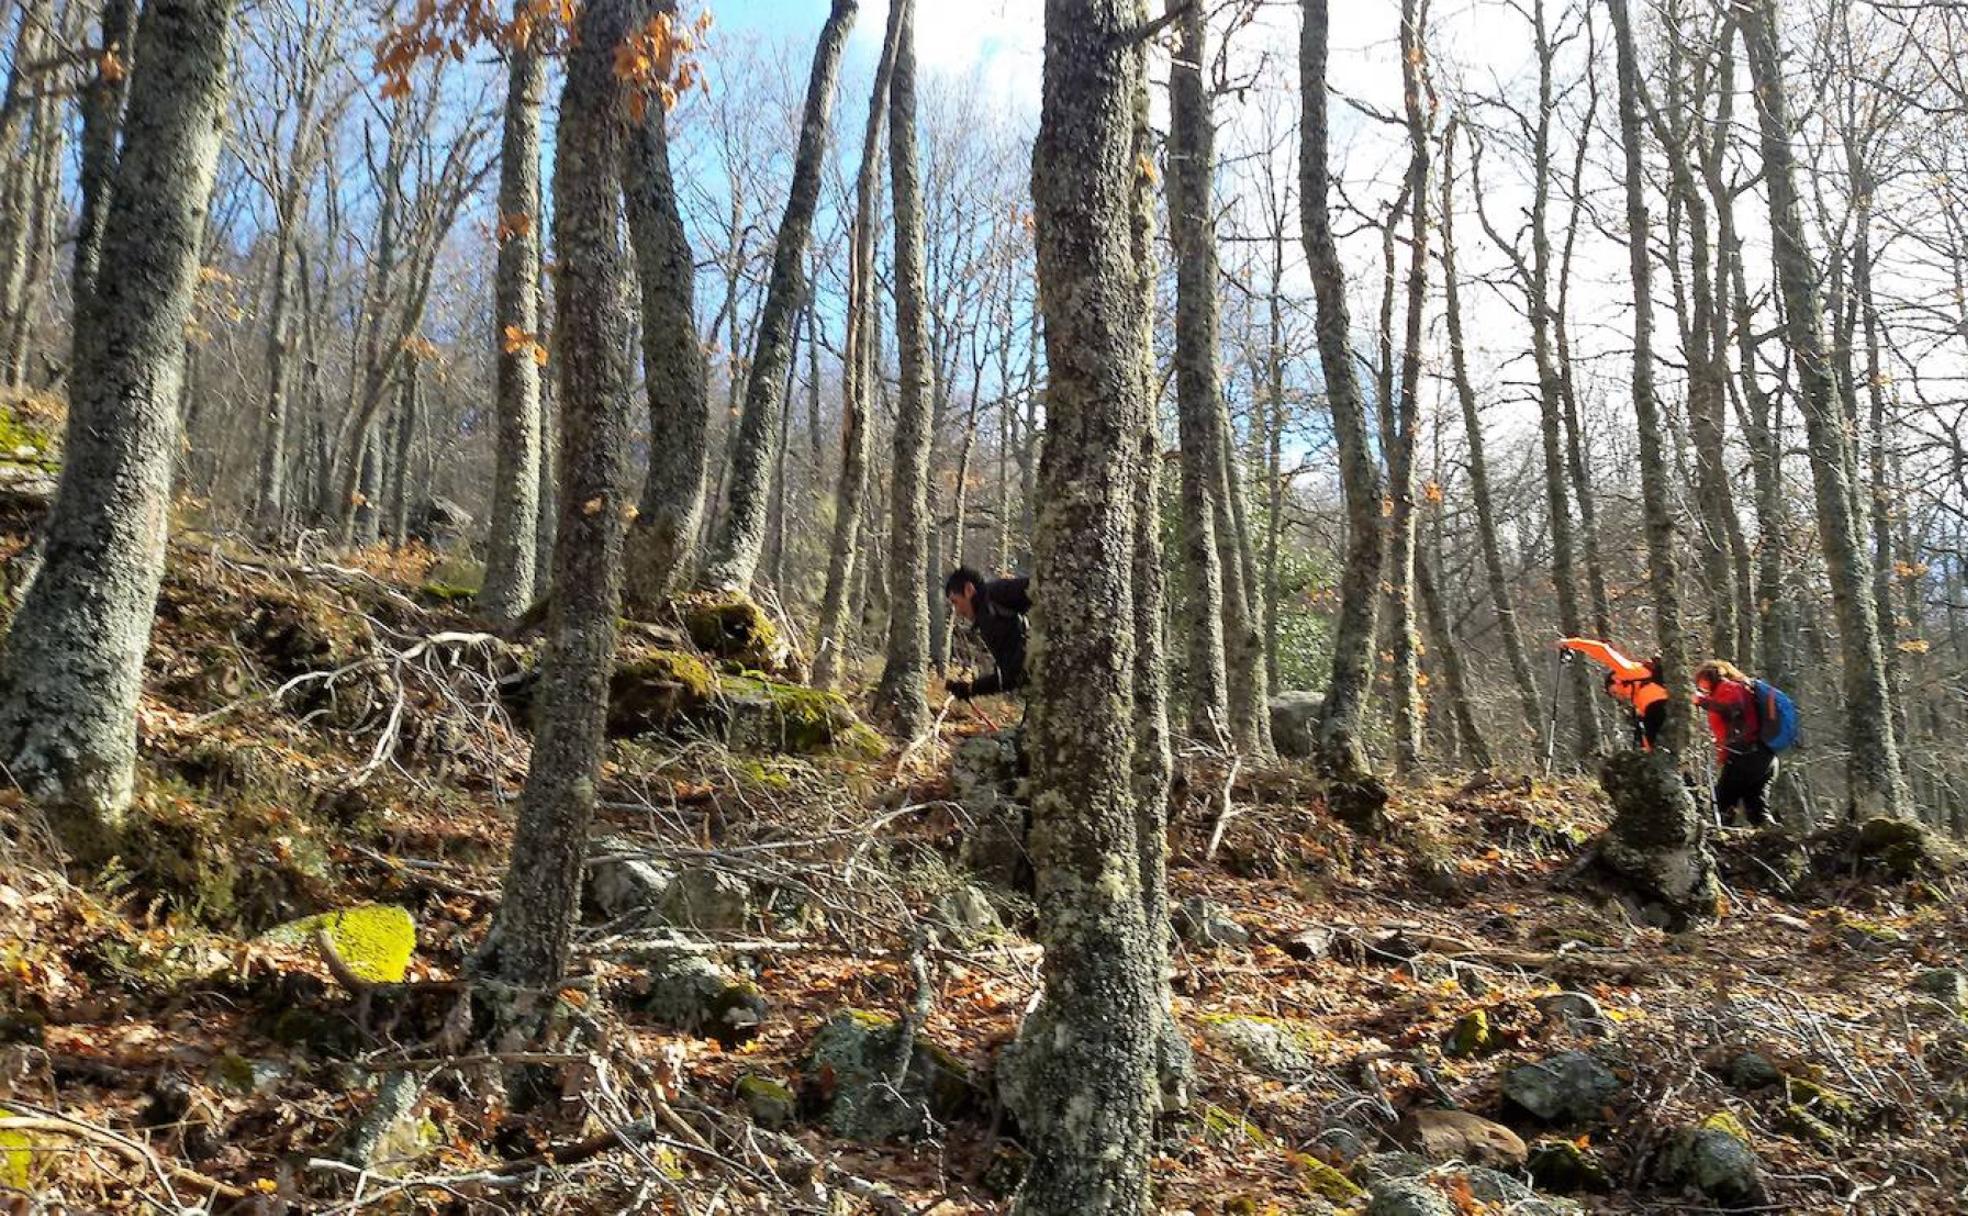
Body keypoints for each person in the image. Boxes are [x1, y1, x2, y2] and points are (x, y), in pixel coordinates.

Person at [1695, 658, 1778, 827]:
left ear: (1711, 678)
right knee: (1755, 804)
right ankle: (1773, 838)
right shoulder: (1740, 688)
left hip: (1746, 756)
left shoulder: (1728, 688)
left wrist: (1702, 701)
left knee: (1722, 799)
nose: (1703, 688)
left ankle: (1722, 837)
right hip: (1763, 756)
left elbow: (1735, 709)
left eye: (1703, 683)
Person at [1558, 638, 1668, 751]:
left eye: (1614, 692)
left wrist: (1571, 643)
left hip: (1657, 705)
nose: (1617, 696)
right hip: (1660, 708)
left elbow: (1602, 650)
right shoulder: (1637, 698)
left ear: (1615, 680)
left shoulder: (1627, 671)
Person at [943, 566, 1029, 700]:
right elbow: (1008, 678)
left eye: (955, 602)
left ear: (969, 589)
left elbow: (1039, 588)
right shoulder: (986, 620)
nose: (957, 611)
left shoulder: (997, 593)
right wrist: (970, 689)